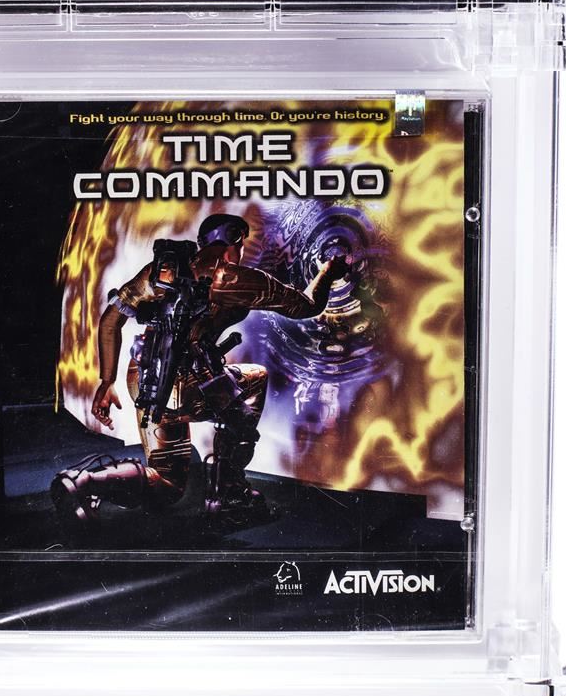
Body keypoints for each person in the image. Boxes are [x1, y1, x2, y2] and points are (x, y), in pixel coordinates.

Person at [51, 213, 347, 528]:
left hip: (146, 381)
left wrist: (106, 382)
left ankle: (86, 481)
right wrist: (328, 272)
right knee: (255, 380)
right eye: (241, 244)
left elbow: (111, 320)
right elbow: (308, 305)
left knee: (166, 484)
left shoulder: (161, 271)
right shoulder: (237, 279)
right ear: (235, 241)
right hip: (191, 382)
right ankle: (229, 493)